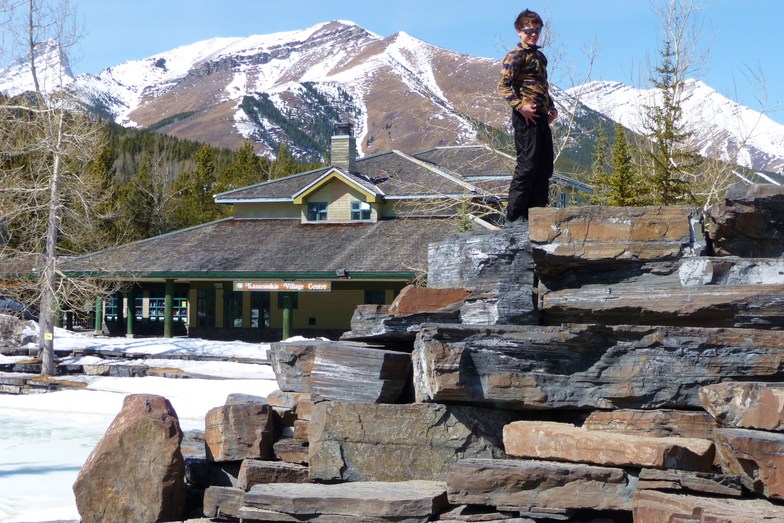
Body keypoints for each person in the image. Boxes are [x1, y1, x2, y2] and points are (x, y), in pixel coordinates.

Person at [498, 9, 558, 224]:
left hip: (541, 117)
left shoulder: (540, 56)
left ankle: (536, 215)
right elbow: (503, 86)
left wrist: (551, 108)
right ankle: (514, 218)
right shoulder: (515, 56)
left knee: (544, 167)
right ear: (519, 31)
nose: (534, 34)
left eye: (537, 30)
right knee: (527, 165)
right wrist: (520, 106)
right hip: (525, 118)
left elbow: (542, 86)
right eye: (529, 30)